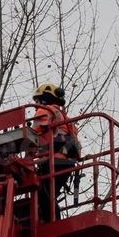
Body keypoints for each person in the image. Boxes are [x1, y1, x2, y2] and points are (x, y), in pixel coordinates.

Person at [30, 83, 82, 222]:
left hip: (54, 161)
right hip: (67, 163)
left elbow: (33, 133)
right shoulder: (67, 120)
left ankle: (51, 222)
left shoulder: (45, 111)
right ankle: (52, 220)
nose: (36, 104)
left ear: (44, 98)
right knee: (50, 195)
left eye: (37, 100)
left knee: (43, 195)